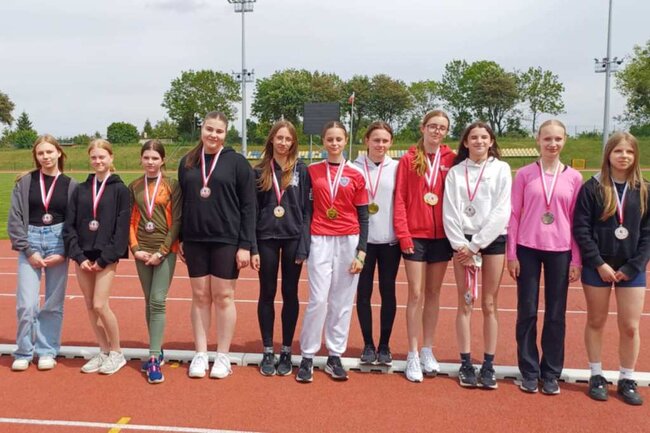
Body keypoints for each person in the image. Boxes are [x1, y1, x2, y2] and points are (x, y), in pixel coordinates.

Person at [178, 111, 255, 379]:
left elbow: (249, 206)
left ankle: (222, 356)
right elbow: (182, 202)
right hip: (195, 238)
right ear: (202, 129)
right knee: (200, 296)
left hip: (227, 239)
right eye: (209, 129)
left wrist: (245, 245)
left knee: (223, 297)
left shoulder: (237, 162)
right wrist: (181, 237)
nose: (213, 135)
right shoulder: (188, 162)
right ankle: (200, 353)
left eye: (219, 131)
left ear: (226, 133)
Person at [507, 119, 582, 395]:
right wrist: (511, 253)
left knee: (555, 314)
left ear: (565, 141)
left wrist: (576, 260)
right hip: (527, 248)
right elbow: (514, 215)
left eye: (558, 139)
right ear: (538, 140)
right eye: (547, 138)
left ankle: (550, 372)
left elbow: (576, 221)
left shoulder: (574, 177)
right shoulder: (524, 174)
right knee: (527, 311)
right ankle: (529, 370)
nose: (552, 144)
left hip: (560, 251)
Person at [573, 132, 648, 406]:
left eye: (629, 151)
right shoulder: (592, 188)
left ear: (635, 155)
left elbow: (648, 234)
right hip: (598, 267)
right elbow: (581, 229)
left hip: (632, 268)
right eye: (618, 151)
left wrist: (633, 265)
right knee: (596, 321)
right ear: (608, 154)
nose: (623, 156)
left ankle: (627, 378)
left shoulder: (644, 189)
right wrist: (598, 263)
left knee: (630, 326)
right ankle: (596, 374)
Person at [296, 121, 368, 383]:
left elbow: (363, 215)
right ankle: (307, 355)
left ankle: (335, 355)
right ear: (323, 141)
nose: (334, 143)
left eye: (339, 139)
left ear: (345, 140)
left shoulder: (357, 173)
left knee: (342, 301)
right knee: (318, 300)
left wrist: (362, 251)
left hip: (349, 239)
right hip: (320, 238)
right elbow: (305, 210)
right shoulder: (312, 170)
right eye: (330, 139)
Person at [442, 122, 511, 389]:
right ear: (466, 142)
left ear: (491, 141)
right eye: (474, 137)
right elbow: (449, 210)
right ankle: (466, 363)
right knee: (465, 302)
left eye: (484, 137)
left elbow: (502, 210)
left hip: (491, 241)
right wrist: (462, 244)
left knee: (490, 304)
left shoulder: (501, 169)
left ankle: (488, 364)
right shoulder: (456, 172)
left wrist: (477, 245)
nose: (479, 141)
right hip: (462, 242)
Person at [393, 110, 455, 382]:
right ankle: (412, 353)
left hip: (442, 236)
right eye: (432, 126)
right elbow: (400, 199)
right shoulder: (408, 160)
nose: (437, 131)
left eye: (442, 127)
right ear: (423, 128)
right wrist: (403, 234)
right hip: (415, 236)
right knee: (416, 294)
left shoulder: (452, 159)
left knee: (433, 293)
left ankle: (428, 349)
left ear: (446, 131)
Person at [8, 135, 77, 371]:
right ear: (35, 156)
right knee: (26, 304)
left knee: (53, 304)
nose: (45, 157)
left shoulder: (71, 185)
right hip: (31, 241)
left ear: (59, 153)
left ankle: (47, 350)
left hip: (58, 242)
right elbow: (15, 219)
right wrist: (28, 250)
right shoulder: (25, 182)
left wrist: (65, 251)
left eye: (49, 152)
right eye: (40, 153)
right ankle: (24, 351)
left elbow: (75, 221)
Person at [64, 139, 130, 375]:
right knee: (90, 305)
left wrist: (104, 259)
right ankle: (103, 351)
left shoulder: (121, 190)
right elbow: (70, 226)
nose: (98, 161)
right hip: (83, 255)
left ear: (111, 158)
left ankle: (117, 353)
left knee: (101, 304)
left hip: (106, 256)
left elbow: (121, 230)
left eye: (102, 157)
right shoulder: (81, 190)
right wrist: (78, 255)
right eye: (94, 157)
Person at [251, 120, 311, 377]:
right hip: (265, 237)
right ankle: (268, 350)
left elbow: (307, 211)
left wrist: (304, 245)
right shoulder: (259, 171)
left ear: (293, 142)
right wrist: (253, 248)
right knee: (267, 292)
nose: (283, 143)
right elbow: (252, 211)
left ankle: (286, 349)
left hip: (293, 238)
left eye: (288, 139)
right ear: (272, 140)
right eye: (280, 138)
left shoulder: (301, 170)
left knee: (290, 292)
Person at [128, 140, 181, 384]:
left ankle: (152, 358)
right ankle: (156, 350)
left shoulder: (172, 185)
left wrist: (162, 251)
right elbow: (130, 221)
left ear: (163, 160)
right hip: (142, 250)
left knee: (158, 300)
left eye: (155, 158)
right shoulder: (134, 186)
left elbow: (177, 221)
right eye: (146, 157)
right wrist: (135, 249)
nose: (150, 162)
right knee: (149, 300)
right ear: (141, 159)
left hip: (165, 250)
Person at [352, 121, 400, 366]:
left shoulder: (398, 167)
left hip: (390, 241)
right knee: (363, 293)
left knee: (388, 292)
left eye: (385, 141)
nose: (380, 145)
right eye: (376, 140)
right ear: (366, 141)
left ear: (391, 142)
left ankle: (385, 345)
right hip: (363, 243)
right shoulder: (353, 167)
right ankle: (368, 345)